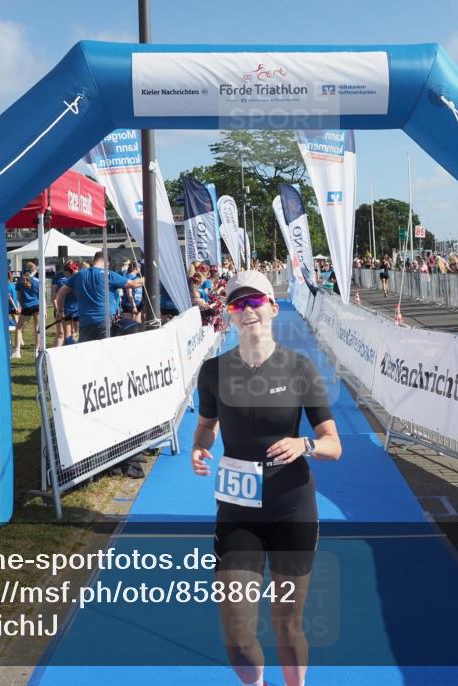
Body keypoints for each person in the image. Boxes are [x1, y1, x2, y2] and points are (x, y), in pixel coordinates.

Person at [191, 271, 342, 686]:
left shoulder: (300, 368)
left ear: (273, 308)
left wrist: (304, 445)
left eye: (255, 301)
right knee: (238, 639)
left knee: (287, 626)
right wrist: (200, 447)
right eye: (237, 304)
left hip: (292, 508)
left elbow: (333, 443)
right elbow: (206, 425)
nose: (247, 310)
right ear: (230, 316)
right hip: (238, 513)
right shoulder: (213, 371)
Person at [55, 251, 143, 342]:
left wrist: (60, 311)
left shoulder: (79, 275)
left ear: (94, 260)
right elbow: (134, 283)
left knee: (87, 351)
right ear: (106, 262)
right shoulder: (108, 274)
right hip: (104, 321)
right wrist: (151, 274)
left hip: (85, 321)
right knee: (104, 351)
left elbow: (60, 293)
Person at [13, 262, 41, 358]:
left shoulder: (20, 281)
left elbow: (18, 297)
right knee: (37, 329)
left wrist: (22, 306)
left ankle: (17, 351)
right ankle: (36, 352)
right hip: (37, 306)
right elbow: (41, 296)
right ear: (34, 270)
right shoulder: (38, 281)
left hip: (26, 307)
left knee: (19, 329)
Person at [7, 270, 21, 334]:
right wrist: (17, 307)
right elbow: (10, 298)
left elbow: (12, 298)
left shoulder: (12, 285)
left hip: (13, 307)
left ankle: (21, 341)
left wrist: (16, 307)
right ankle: (21, 341)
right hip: (12, 307)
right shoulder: (11, 285)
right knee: (17, 324)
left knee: (17, 325)